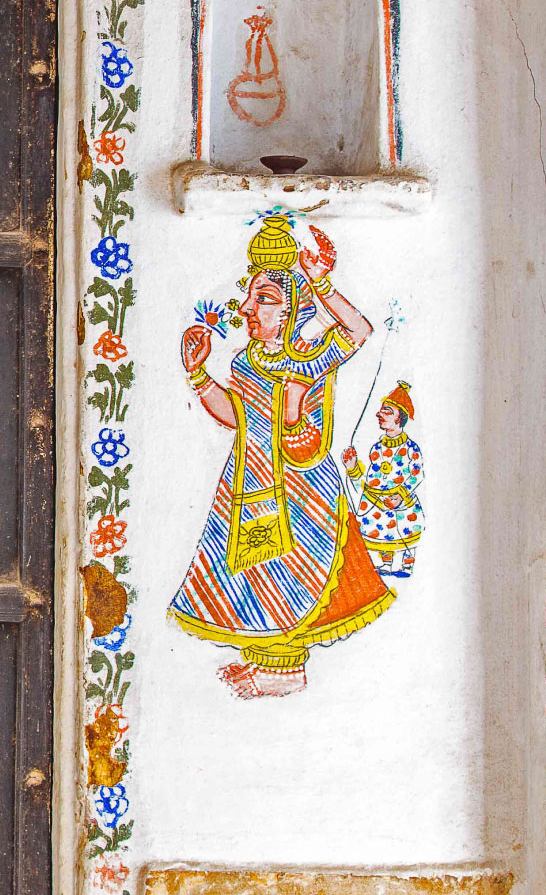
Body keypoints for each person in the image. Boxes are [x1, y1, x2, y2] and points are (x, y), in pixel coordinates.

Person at [169, 214, 394, 699]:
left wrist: (322, 282)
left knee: (292, 574)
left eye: (264, 299)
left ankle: (284, 673)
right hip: (247, 479)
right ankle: (261, 661)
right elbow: (237, 415)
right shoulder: (247, 359)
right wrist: (198, 375)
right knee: (250, 574)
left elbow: (358, 328)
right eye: (249, 297)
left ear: (294, 307)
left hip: (301, 490)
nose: (249, 307)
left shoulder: (310, 356)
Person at [343, 382, 424, 578]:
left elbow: (416, 474)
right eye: (381, 411)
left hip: (400, 502)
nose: (379, 415)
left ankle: (406, 566)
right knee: (382, 533)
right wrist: (352, 467)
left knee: (405, 533)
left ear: (399, 418)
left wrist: (400, 496)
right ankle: (386, 565)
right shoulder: (377, 448)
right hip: (377, 503)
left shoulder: (411, 448)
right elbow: (370, 479)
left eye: (386, 411)